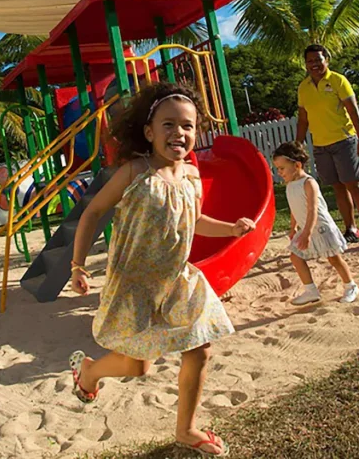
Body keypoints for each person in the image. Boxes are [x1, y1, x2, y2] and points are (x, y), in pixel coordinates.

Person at [67, 82, 255, 457]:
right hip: (134, 285)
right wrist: (77, 265)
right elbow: (93, 212)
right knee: (139, 367)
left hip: (177, 279)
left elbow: (195, 219)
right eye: (168, 124)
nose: (178, 133)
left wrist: (231, 229)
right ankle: (89, 372)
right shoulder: (135, 172)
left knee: (200, 348)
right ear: (149, 132)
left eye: (187, 126)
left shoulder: (192, 177)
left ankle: (186, 429)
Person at [295, 43, 359, 250]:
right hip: (321, 145)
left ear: (326, 60)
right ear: (305, 64)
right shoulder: (303, 87)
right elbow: (303, 119)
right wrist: (298, 146)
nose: (314, 64)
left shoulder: (338, 80)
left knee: (354, 184)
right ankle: (351, 230)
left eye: (318, 59)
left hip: (344, 141)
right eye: (310, 61)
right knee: (338, 187)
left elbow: (353, 110)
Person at [273, 141, 359, 305]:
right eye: (277, 168)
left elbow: (312, 209)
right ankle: (311, 291)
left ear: (297, 165)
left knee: (333, 258)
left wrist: (306, 233)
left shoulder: (309, 183)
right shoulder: (290, 185)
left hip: (320, 228)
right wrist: (293, 228)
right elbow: (294, 208)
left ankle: (351, 286)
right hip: (306, 229)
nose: (279, 172)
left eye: (282, 168)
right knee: (295, 257)